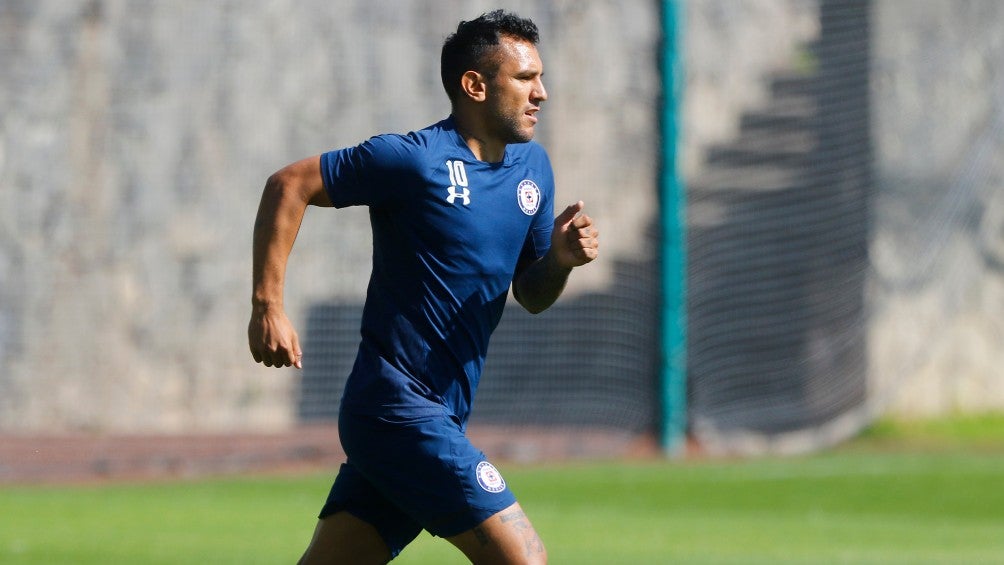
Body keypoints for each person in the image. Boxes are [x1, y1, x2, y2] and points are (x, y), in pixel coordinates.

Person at [248, 9, 598, 564]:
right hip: (397, 409)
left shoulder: (533, 169)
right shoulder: (415, 159)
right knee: (524, 560)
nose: (543, 93)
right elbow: (290, 184)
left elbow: (531, 295)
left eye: (541, 78)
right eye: (525, 79)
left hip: (438, 411)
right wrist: (268, 307)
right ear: (475, 85)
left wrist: (559, 259)